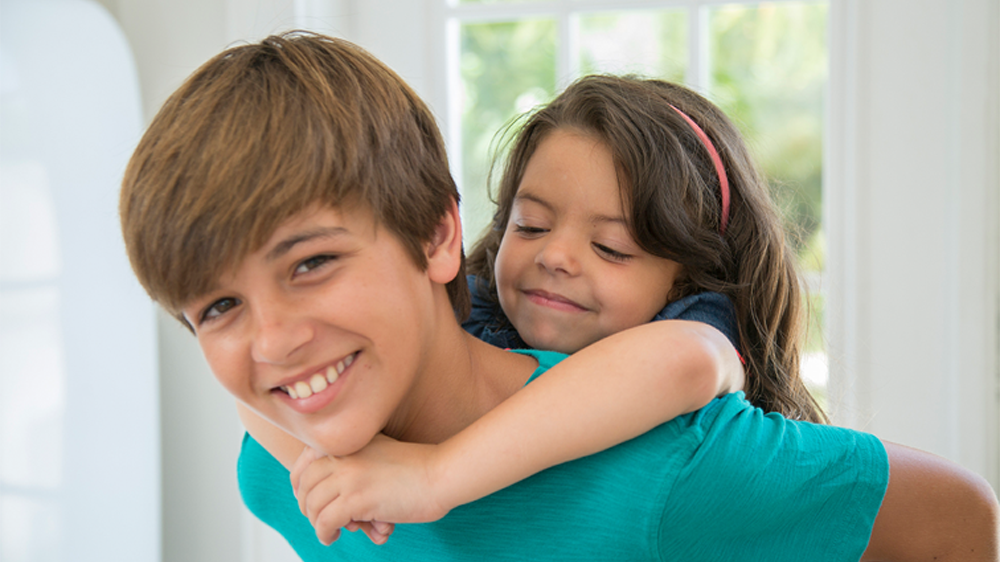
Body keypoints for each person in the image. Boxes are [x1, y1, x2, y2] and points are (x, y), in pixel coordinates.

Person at [119, 31, 999, 561]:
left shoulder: (668, 467)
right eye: (217, 308)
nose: (272, 340)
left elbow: (960, 521)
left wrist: (435, 478)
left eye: (310, 263)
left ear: (435, 234)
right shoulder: (280, 478)